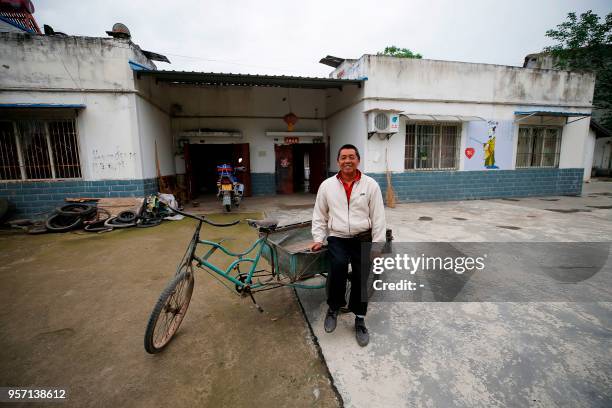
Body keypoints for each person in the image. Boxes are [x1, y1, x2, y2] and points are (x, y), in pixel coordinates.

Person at [311, 144, 386, 346]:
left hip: (363, 237)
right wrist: (318, 238)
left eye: (351, 157)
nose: (347, 161)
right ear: (338, 162)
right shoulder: (327, 185)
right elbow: (319, 214)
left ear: (358, 160)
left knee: (362, 276)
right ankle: (333, 308)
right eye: (343, 157)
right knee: (338, 268)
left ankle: (360, 318)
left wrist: (378, 246)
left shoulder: (370, 185)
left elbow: (378, 217)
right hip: (338, 236)